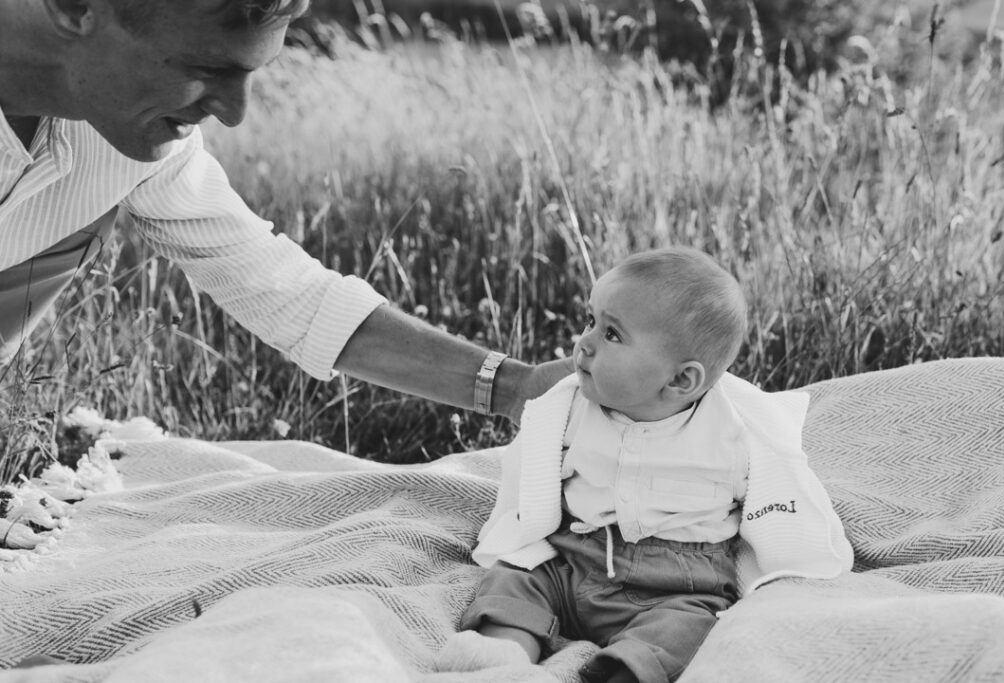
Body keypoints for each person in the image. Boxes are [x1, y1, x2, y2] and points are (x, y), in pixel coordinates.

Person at [0, 0, 571, 419]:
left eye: (250, 74)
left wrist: (519, 389)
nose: (234, 113)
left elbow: (284, 290)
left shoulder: (133, 136)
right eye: (209, 69)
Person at [436, 247, 854, 683]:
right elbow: (535, 475)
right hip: (575, 558)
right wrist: (524, 531)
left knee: (690, 627)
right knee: (516, 578)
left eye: (612, 335)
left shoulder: (733, 433)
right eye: (590, 321)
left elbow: (775, 492)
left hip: (678, 583)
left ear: (680, 380)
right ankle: (503, 658)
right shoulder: (569, 409)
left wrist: (786, 552)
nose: (584, 342)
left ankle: (623, 672)